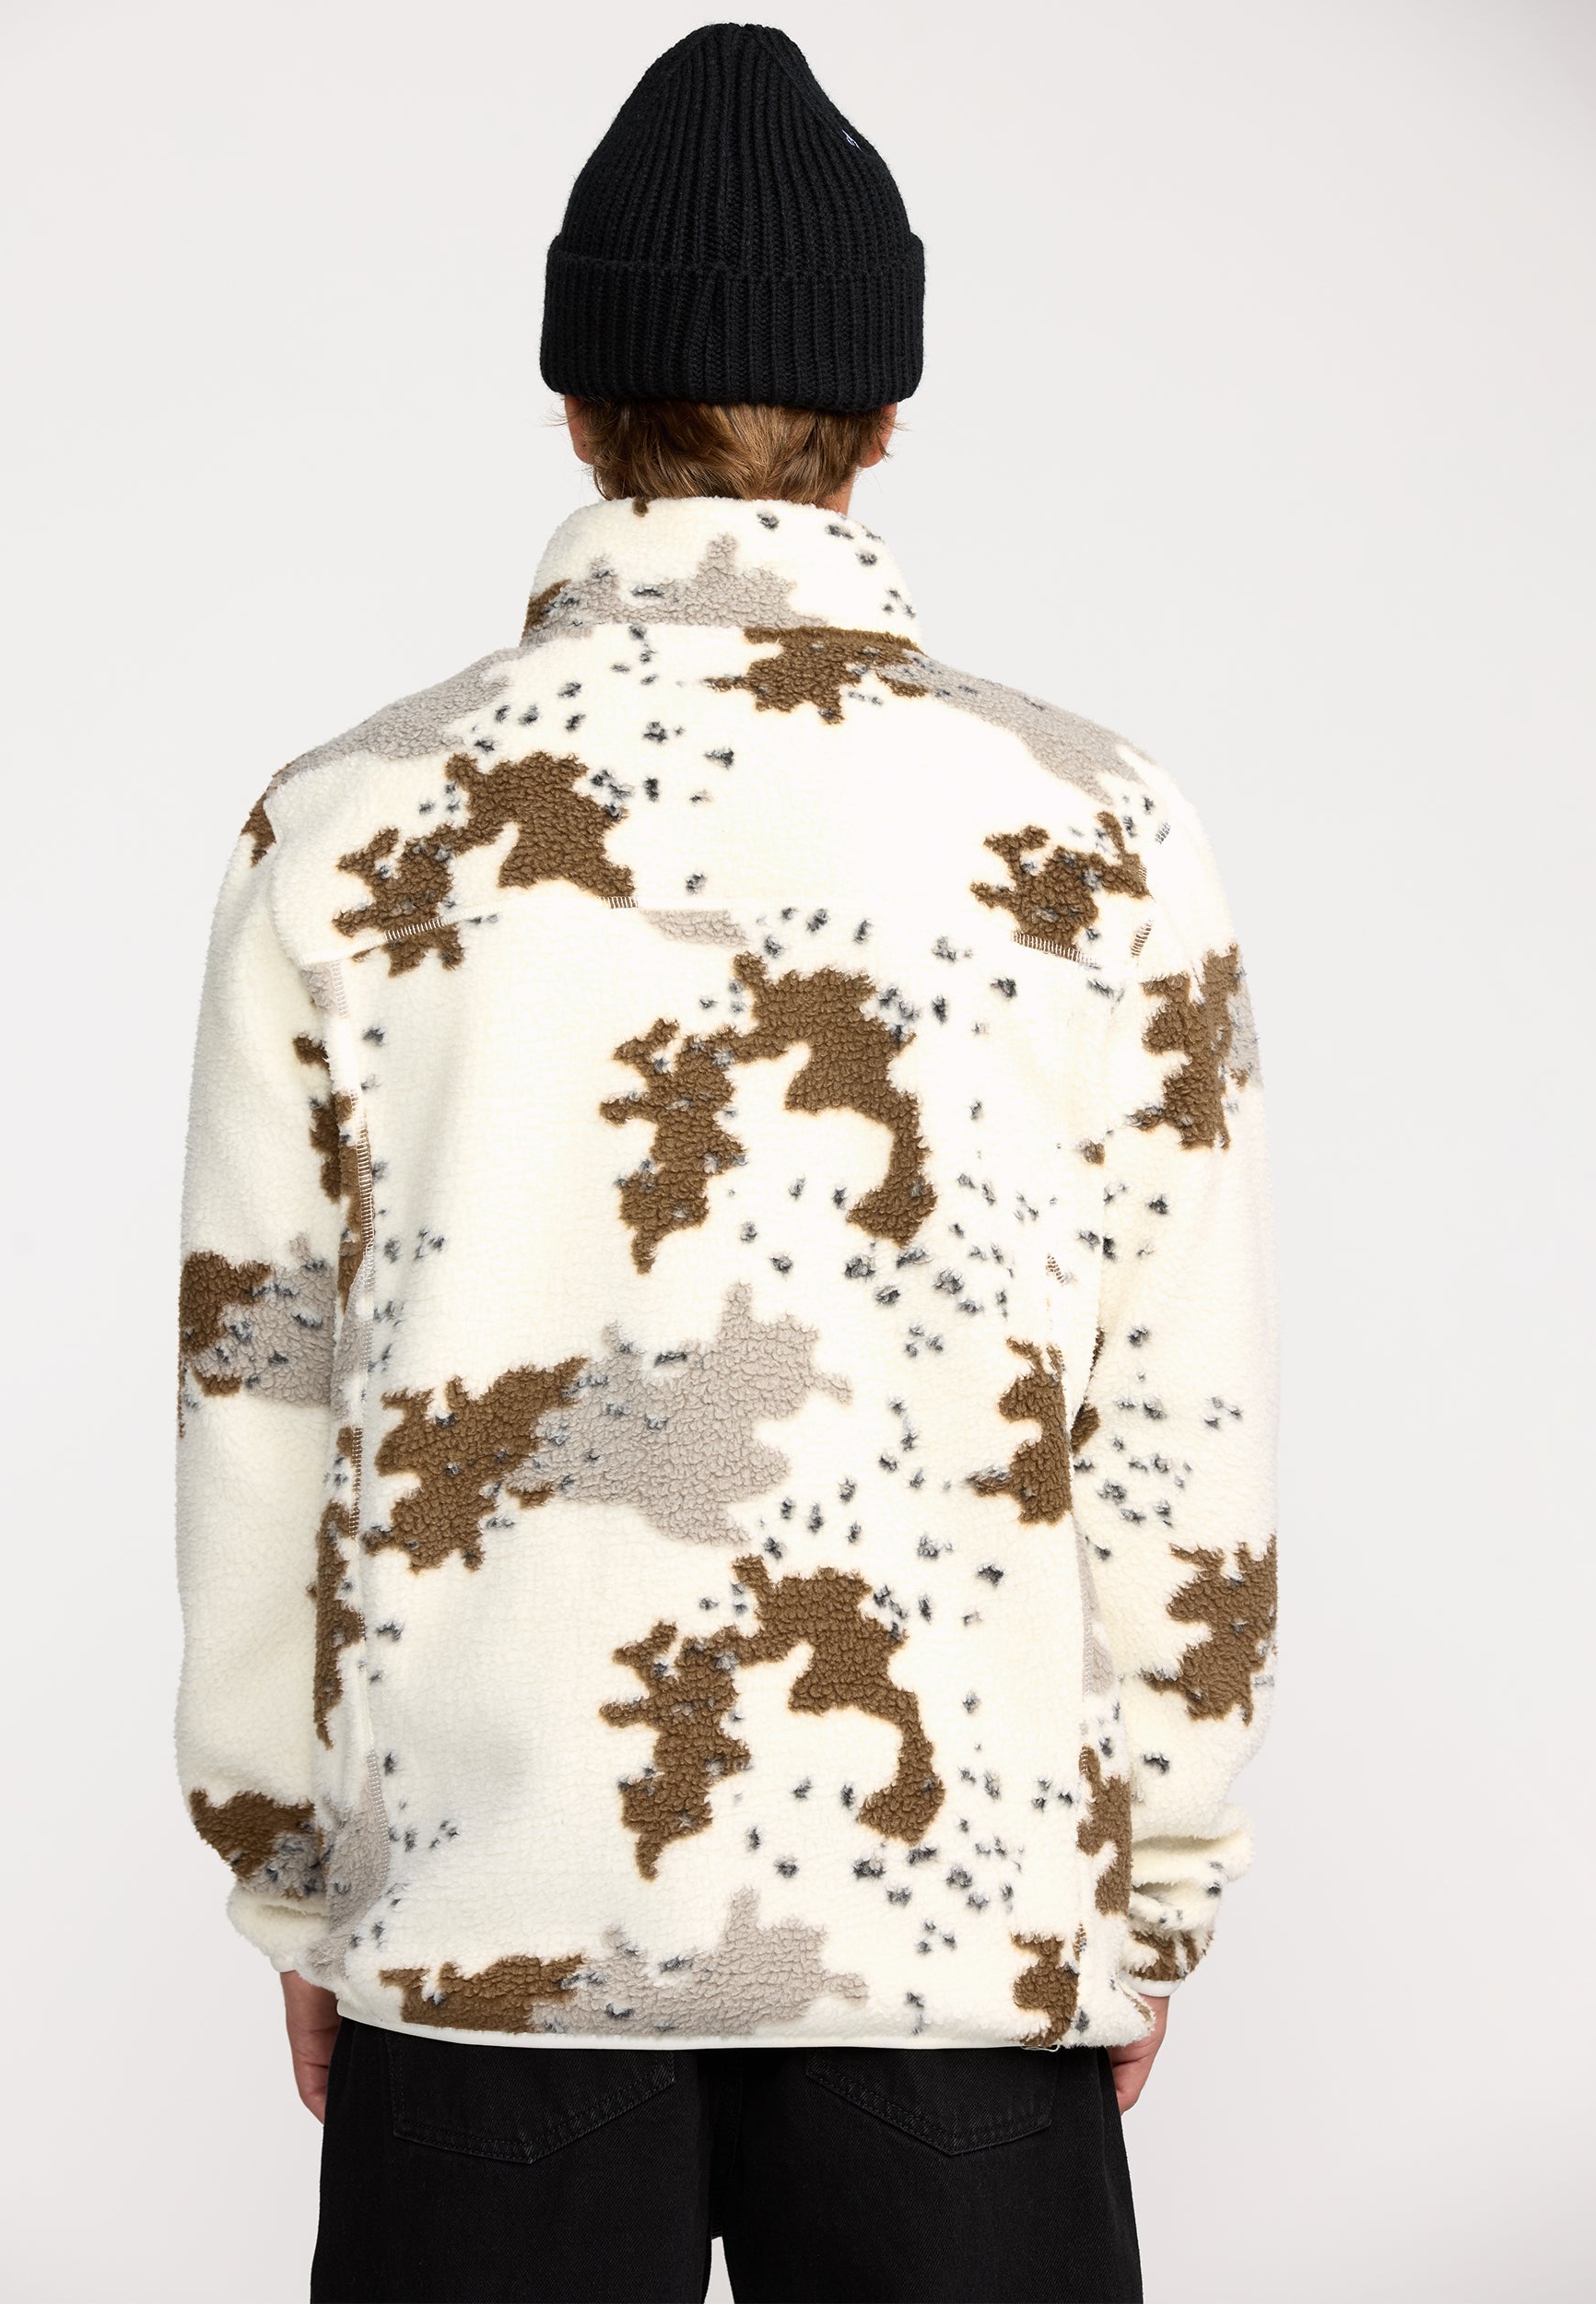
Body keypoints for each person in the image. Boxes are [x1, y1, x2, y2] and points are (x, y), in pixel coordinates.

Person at [174, 25, 1276, 2303]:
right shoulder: (1095, 830)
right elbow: (1176, 1411)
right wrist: (1147, 1885)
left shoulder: (351, 823)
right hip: (957, 1942)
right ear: (882, 421)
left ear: (578, 408)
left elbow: (260, 1386)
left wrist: (298, 1871)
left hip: (484, 1932)